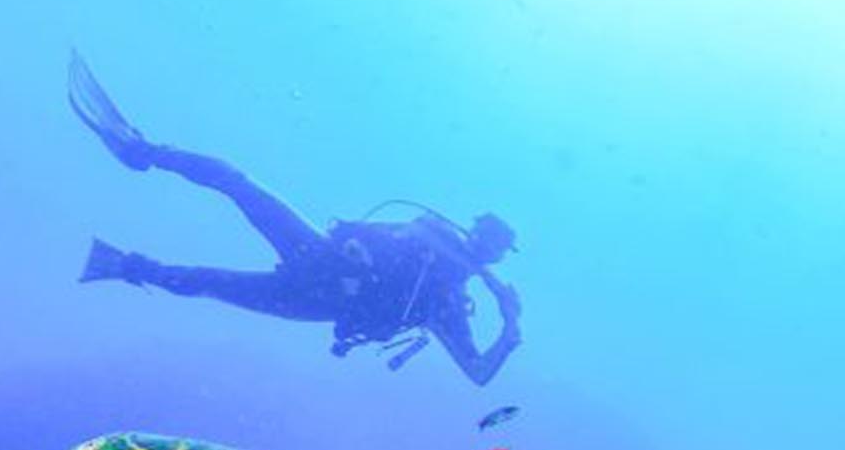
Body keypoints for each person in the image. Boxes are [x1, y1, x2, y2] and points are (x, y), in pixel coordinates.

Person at [69, 55, 522, 387]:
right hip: (322, 257)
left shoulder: (447, 303)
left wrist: (509, 330)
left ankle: (121, 265)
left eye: (489, 244)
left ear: (494, 255)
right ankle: (142, 150)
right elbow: (411, 230)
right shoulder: (435, 233)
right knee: (238, 184)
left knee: (211, 281)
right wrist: (479, 274)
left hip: (317, 300)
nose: (477, 242)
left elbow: (478, 372)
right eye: (480, 233)